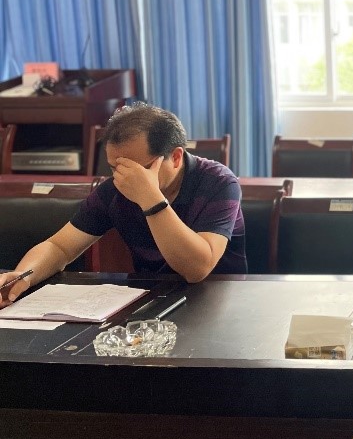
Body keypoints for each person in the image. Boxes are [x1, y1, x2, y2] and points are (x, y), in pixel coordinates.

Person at [0, 103, 245, 306]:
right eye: (114, 167)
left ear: (176, 157)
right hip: (153, 299)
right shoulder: (116, 188)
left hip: (219, 298)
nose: (124, 178)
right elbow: (59, 247)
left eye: (137, 169)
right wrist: (22, 276)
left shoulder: (219, 182)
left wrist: (151, 199)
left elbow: (197, 270)